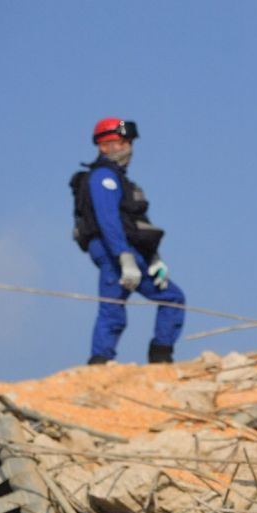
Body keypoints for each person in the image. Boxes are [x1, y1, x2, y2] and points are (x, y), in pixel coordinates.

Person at [71, 116, 186, 365]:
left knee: (173, 298)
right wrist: (124, 257)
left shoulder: (123, 182)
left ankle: (161, 356)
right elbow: (108, 221)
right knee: (112, 308)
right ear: (103, 146)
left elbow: (137, 226)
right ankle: (100, 363)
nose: (128, 149)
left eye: (128, 143)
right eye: (121, 143)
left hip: (130, 251)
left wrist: (155, 258)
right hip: (112, 250)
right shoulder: (103, 178)